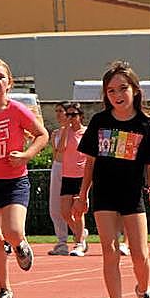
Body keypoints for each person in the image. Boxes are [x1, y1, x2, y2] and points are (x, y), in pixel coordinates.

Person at [73, 62, 150, 298]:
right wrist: (82, 196)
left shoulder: (146, 126)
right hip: (104, 194)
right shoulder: (100, 122)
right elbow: (89, 162)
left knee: (140, 254)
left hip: (132, 194)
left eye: (122, 88)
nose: (117, 95)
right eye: (111, 90)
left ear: (135, 89)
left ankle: (144, 291)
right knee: (110, 252)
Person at [0, 58, 48, 298]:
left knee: (13, 231)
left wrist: (27, 155)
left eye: (0, 77)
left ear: (9, 83)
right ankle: (5, 289)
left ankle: (20, 244)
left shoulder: (16, 110)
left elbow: (43, 134)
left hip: (14, 181)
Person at [56, 102, 90, 256]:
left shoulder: (87, 132)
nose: (71, 118)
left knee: (78, 212)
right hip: (67, 175)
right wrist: (65, 128)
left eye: (74, 115)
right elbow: (60, 149)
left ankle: (79, 242)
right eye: (68, 115)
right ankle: (81, 233)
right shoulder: (65, 131)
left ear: (80, 116)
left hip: (81, 175)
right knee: (64, 212)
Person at [47, 104, 71, 255]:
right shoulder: (55, 133)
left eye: (61, 111)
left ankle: (79, 237)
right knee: (55, 208)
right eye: (56, 111)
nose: (57, 114)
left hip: (72, 169)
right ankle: (62, 241)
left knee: (71, 208)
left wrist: (67, 128)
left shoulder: (75, 132)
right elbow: (56, 153)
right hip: (57, 168)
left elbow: (64, 148)